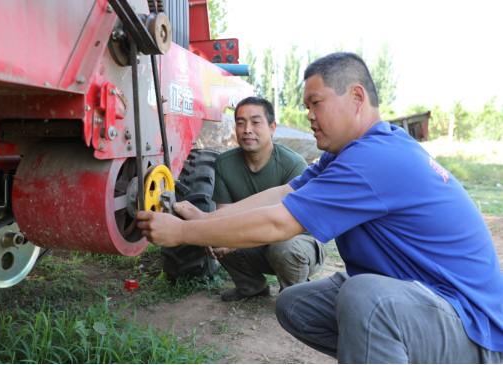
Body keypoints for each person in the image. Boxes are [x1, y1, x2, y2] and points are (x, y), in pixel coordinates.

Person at [137, 52, 503, 364]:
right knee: (296, 304)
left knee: (365, 298)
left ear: (356, 97)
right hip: (420, 297)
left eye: (316, 103)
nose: (309, 115)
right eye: (306, 106)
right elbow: (283, 193)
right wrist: (207, 218)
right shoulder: (350, 152)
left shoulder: (375, 159)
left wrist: (182, 232)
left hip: (472, 328)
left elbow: (280, 222)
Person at [206, 96, 325, 302]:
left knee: (283, 247)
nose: (247, 130)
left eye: (255, 122)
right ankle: (252, 288)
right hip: (256, 242)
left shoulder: (293, 164)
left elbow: (285, 225)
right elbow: (221, 216)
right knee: (213, 233)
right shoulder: (224, 163)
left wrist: (234, 240)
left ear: (272, 127)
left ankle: (295, 296)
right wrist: (217, 236)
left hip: (298, 241)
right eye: (241, 123)